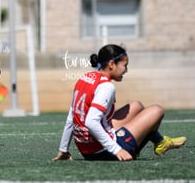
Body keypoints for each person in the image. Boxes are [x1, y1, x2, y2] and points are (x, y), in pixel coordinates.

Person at [52, 44, 186, 161]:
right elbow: (91, 122)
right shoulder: (106, 87)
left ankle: (160, 142)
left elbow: (72, 116)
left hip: (87, 147)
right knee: (157, 110)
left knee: (136, 106)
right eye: (124, 65)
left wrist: (63, 149)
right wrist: (116, 150)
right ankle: (140, 147)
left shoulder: (85, 78)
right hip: (102, 152)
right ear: (111, 64)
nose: (126, 70)